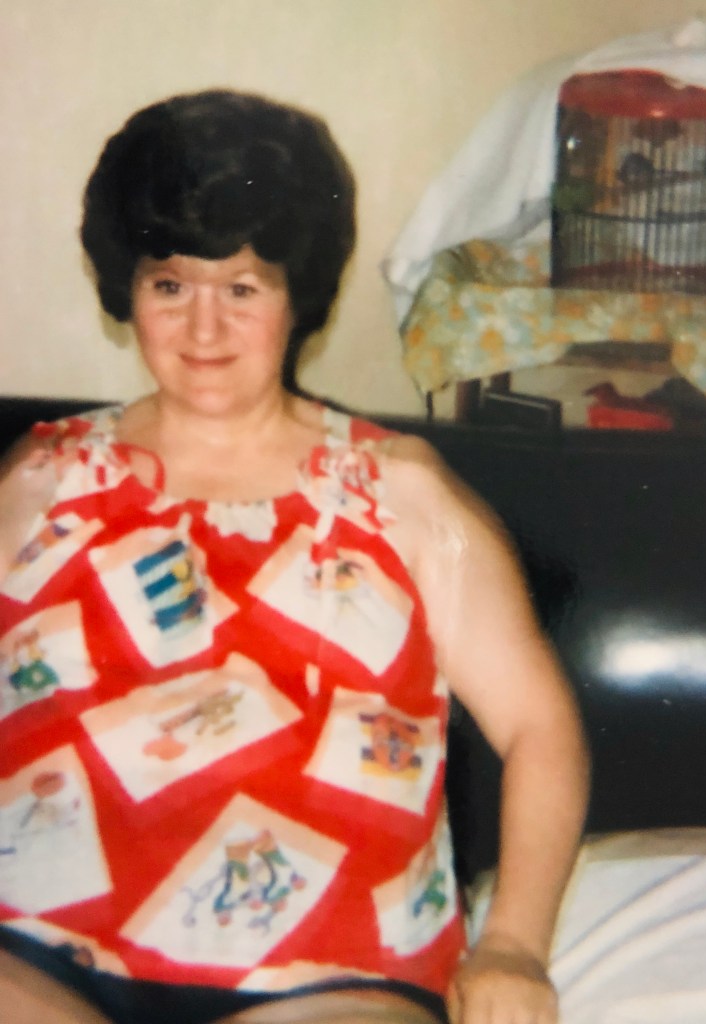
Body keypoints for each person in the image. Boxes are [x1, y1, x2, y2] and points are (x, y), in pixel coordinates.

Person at [0, 90, 589, 1024]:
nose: (203, 331)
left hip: (329, 976)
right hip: (38, 953)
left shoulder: (400, 495)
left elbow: (538, 728)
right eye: (169, 286)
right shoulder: (42, 479)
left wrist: (513, 945)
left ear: (294, 294)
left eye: (241, 289)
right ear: (128, 288)